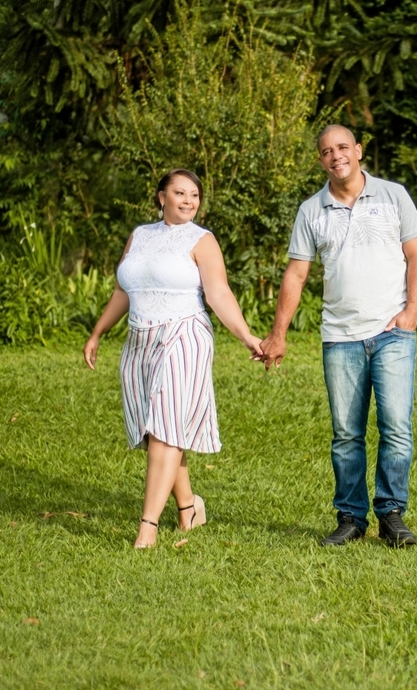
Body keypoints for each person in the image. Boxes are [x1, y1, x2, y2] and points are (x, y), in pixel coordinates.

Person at [259, 125, 417, 547]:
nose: (336, 156)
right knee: (347, 435)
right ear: (321, 161)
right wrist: (278, 334)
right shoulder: (311, 211)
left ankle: (391, 514)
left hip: (392, 333)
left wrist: (411, 312)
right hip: (340, 337)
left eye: (342, 147)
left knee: (396, 428)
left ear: (358, 150)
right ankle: (351, 518)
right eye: (326, 151)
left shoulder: (394, 195)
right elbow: (296, 275)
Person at [84, 169, 263, 549]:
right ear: (161, 196)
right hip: (139, 340)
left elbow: (219, 294)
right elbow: (123, 290)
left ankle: (147, 528)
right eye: (180, 193)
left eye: (194, 195)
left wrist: (246, 335)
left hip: (184, 335)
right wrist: (98, 332)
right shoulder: (140, 235)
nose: (188, 201)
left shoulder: (202, 240)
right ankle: (188, 508)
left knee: (166, 430)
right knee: (156, 432)